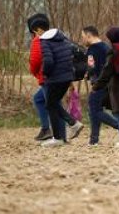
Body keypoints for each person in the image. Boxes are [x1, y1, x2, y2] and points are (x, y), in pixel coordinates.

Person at [27, 13, 83, 142]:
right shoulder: (61, 37)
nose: (34, 34)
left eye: (34, 31)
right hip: (64, 75)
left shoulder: (40, 40)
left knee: (53, 105)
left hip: (49, 78)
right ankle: (47, 128)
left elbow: (36, 61)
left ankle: (60, 135)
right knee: (41, 99)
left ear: (38, 30)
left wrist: (38, 73)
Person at [39, 23, 79, 147]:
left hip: (55, 78)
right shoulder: (64, 40)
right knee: (53, 103)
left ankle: (61, 135)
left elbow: (49, 60)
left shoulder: (45, 42)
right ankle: (71, 125)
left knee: (51, 104)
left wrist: (45, 73)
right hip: (67, 77)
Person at [82, 26, 119, 146]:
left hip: (98, 84)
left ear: (89, 36)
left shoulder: (91, 51)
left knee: (95, 110)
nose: (82, 40)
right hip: (109, 83)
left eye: (83, 37)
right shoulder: (106, 47)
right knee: (95, 110)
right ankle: (94, 140)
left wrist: (87, 73)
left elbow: (91, 67)